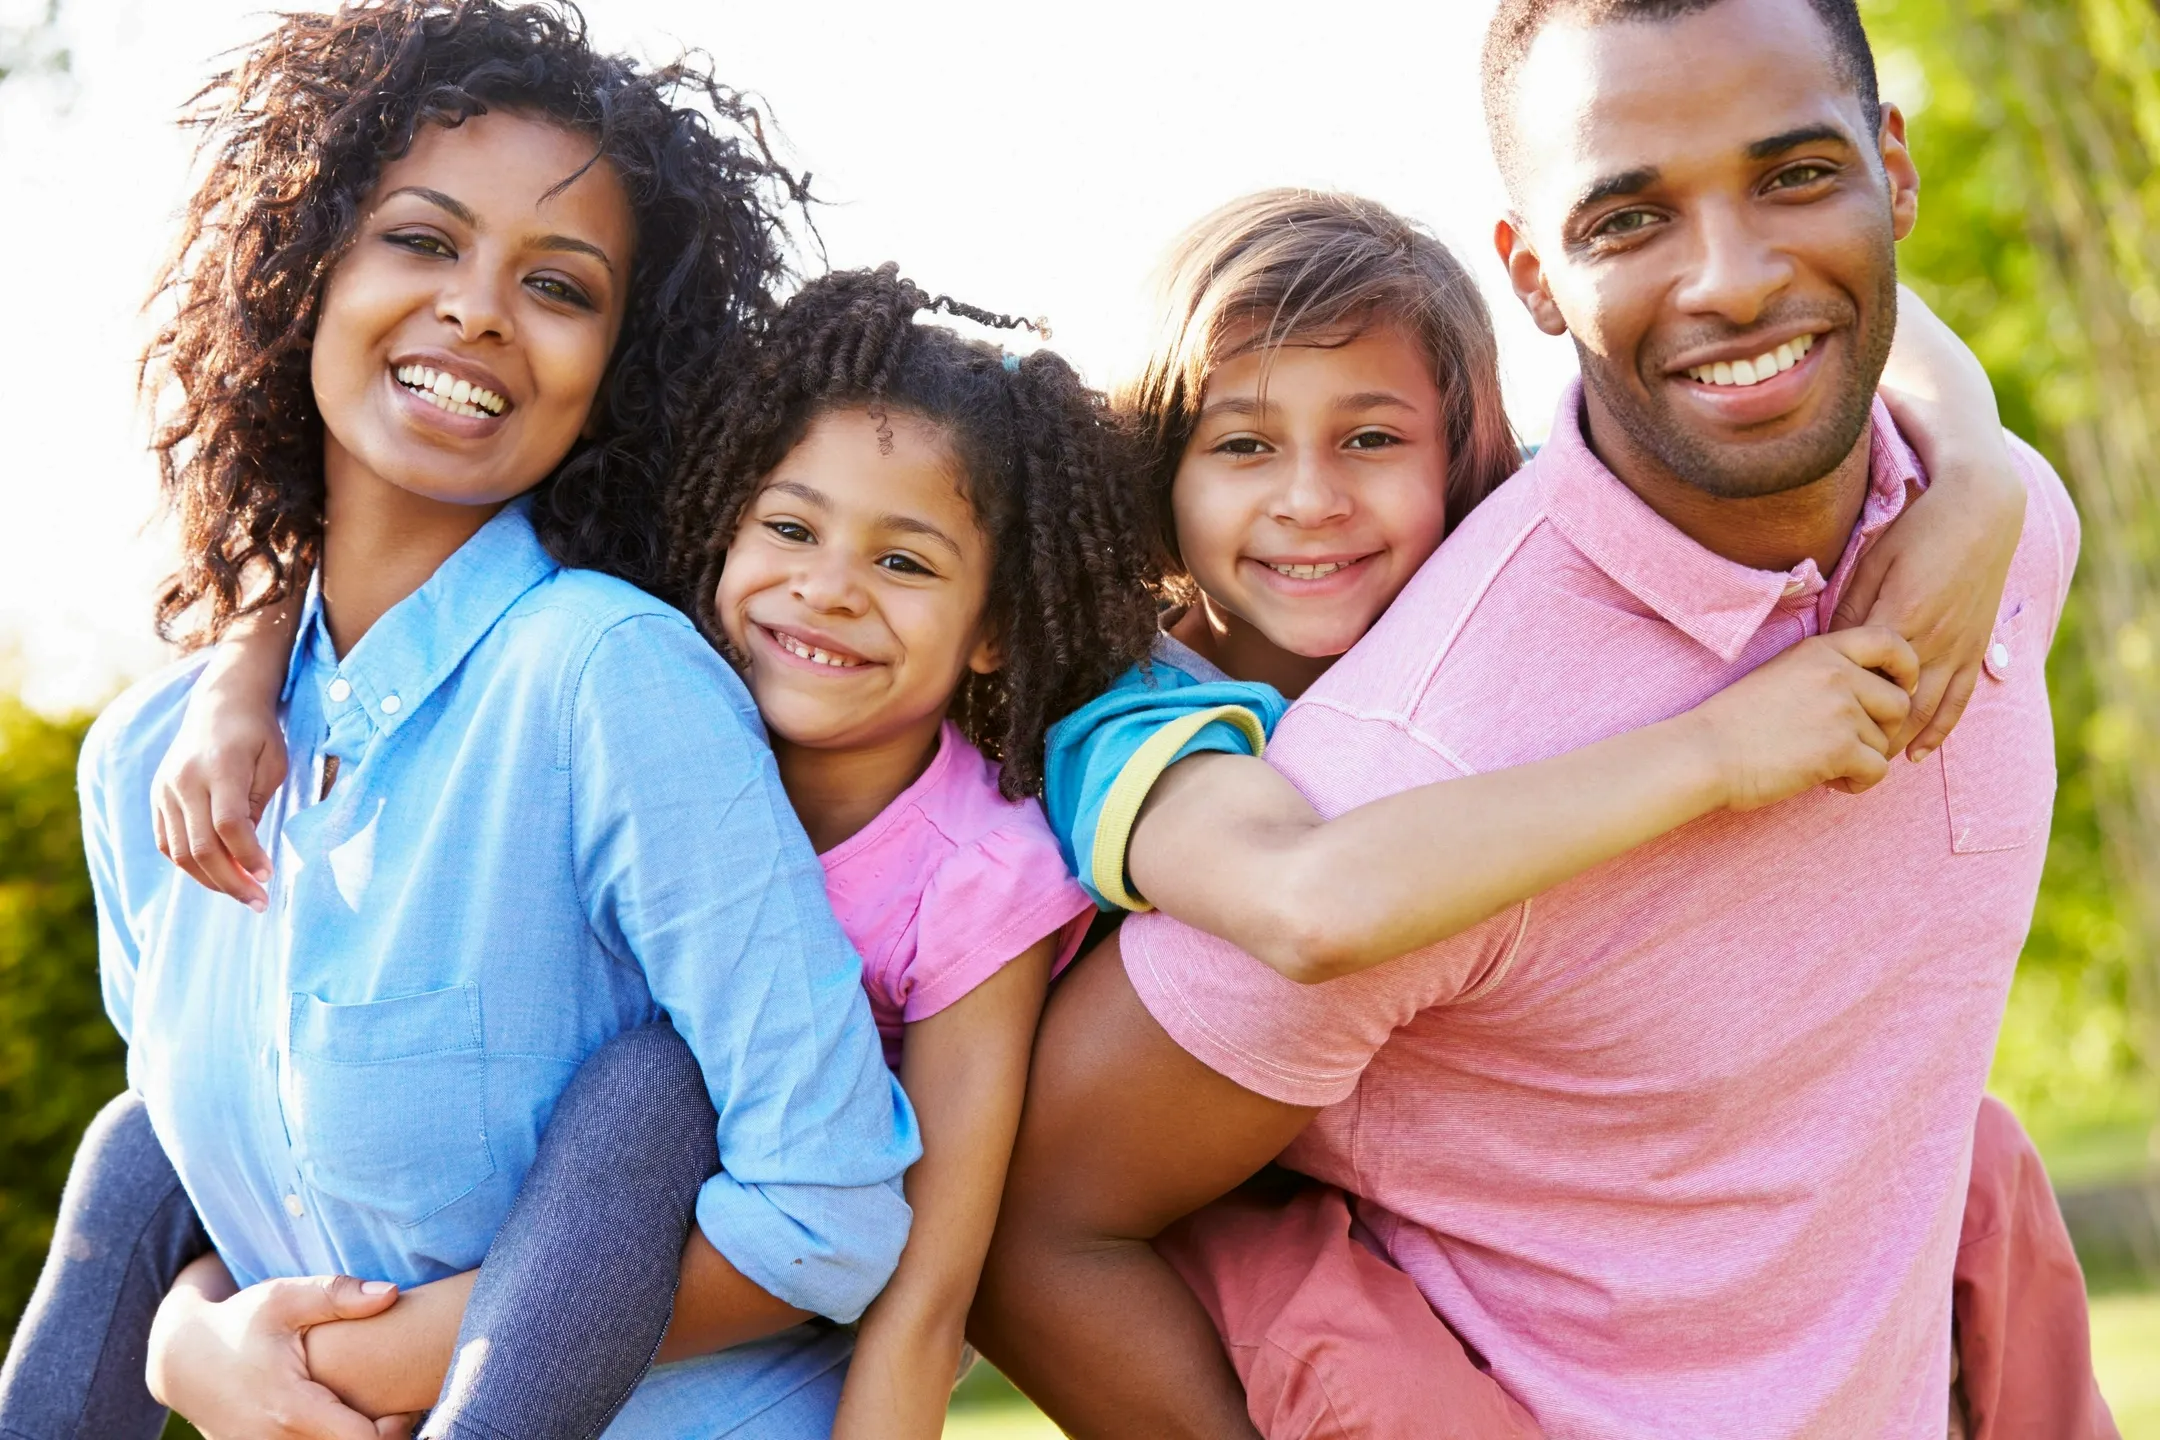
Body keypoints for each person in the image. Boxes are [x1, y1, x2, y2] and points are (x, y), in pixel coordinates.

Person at [972, 3, 2113, 1435]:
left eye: (1796, 175)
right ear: (1535, 271)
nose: (1738, 280)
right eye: (1630, 217)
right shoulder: (1394, 783)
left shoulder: (1995, 536)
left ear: (1896, 168)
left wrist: (1988, 478)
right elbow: (1030, 1226)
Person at [0, 5, 923, 1439]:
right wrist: (194, 1345)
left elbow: (829, 1212)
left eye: (559, 286)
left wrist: (387, 1360)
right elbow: (202, 1175)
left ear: (620, 362)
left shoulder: (606, 679)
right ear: (304, 273)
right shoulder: (148, 758)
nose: (480, 309)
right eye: (422, 241)